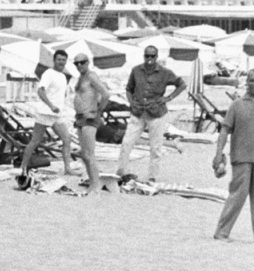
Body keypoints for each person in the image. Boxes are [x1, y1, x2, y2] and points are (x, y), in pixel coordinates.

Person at [117, 47, 184, 186]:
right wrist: (131, 102)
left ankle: (152, 177)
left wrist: (169, 98)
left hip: (156, 113)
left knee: (155, 147)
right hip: (138, 112)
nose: (149, 59)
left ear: (156, 57)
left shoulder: (165, 72)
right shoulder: (136, 70)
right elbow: (129, 89)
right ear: (144, 56)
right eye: (147, 56)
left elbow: (181, 84)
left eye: (152, 56)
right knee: (126, 142)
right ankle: (122, 171)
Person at [18, 50, 73, 188]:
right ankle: (23, 167)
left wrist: (59, 108)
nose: (61, 62)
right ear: (54, 60)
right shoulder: (49, 73)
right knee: (35, 141)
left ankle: (68, 168)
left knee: (67, 139)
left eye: (63, 60)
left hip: (57, 114)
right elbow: (40, 91)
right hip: (45, 113)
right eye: (59, 59)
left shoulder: (63, 76)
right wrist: (51, 105)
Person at [213, 72, 254, 241]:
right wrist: (218, 153)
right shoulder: (237, 105)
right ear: (247, 82)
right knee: (238, 195)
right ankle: (222, 232)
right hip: (241, 157)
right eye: (252, 80)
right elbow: (224, 129)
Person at [71, 56, 110, 195]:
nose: (79, 65)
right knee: (84, 155)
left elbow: (106, 94)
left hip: (89, 116)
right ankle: (93, 182)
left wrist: (98, 111)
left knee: (90, 153)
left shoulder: (91, 76)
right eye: (77, 63)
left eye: (82, 62)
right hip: (80, 117)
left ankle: (95, 185)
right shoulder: (80, 77)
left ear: (88, 63)